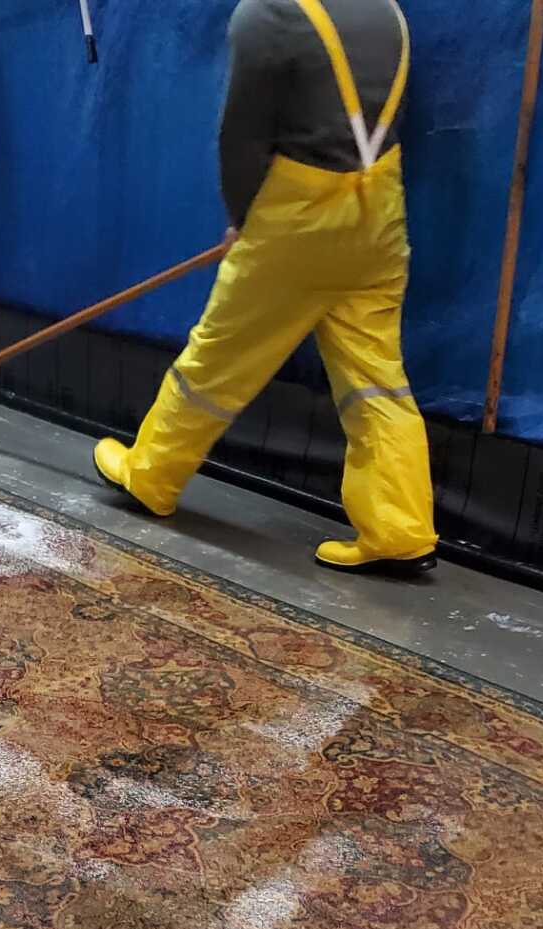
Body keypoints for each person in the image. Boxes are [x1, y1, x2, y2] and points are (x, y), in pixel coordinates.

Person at [93, 0, 438, 577]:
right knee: (376, 376)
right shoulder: (389, 12)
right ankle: (400, 526)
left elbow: (243, 138)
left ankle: (151, 474)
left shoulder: (268, 15)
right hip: (379, 214)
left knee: (220, 356)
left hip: (299, 217)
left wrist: (244, 217)